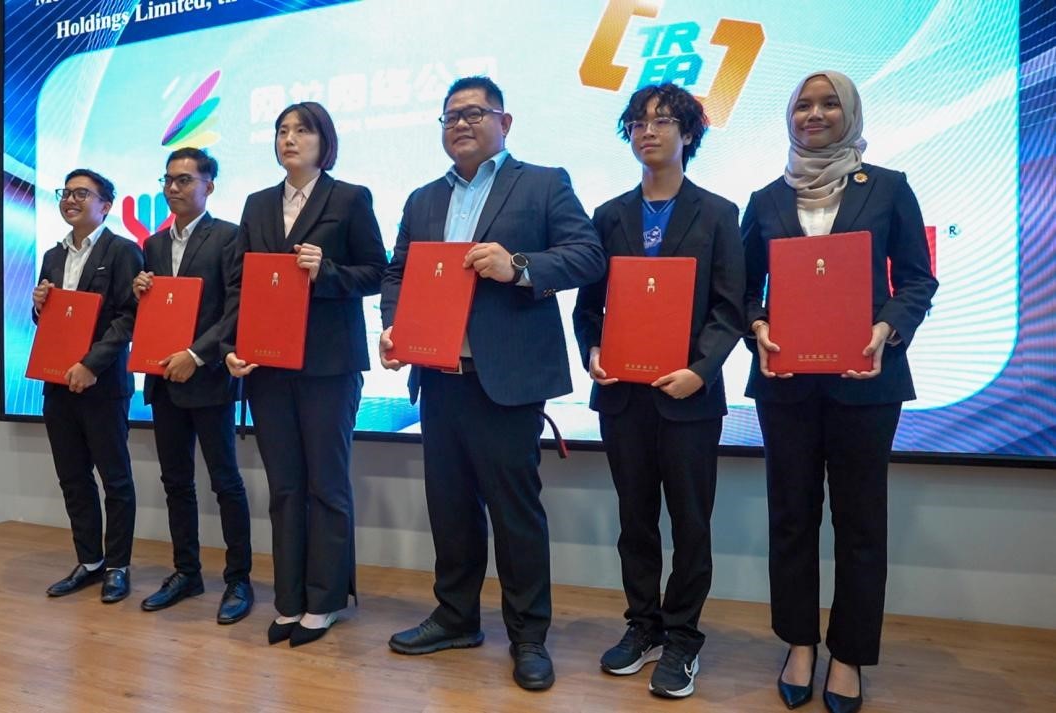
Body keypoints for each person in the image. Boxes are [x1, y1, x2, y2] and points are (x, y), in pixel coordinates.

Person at [379, 76, 605, 691]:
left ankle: (528, 636)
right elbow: (398, 272)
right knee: (450, 508)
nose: (460, 123)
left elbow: (588, 255)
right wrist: (394, 326)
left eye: (475, 113)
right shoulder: (424, 199)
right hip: (439, 377)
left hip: (505, 379)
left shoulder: (543, 183)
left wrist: (518, 266)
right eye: (450, 116)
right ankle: (455, 618)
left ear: (505, 122)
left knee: (514, 513)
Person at [742, 71, 937, 712]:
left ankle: (848, 653)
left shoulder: (888, 187)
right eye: (803, 104)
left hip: (867, 384)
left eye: (829, 104)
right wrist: (758, 326)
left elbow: (917, 280)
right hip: (786, 385)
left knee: (860, 524)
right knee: (791, 517)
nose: (815, 114)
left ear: (849, 113)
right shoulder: (766, 199)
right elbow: (742, 291)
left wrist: (887, 328)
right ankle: (800, 643)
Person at [573, 83, 745, 699]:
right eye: (638, 122)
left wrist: (701, 369)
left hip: (689, 397)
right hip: (624, 397)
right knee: (635, 520)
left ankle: (683, 638)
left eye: (663, 120)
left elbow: (730, 308)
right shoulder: (608, 215)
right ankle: (642, 625)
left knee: (691, 522)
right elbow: (589, 307)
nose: (648, 131)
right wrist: (593, 352)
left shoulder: (719, 213)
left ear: (688, 133)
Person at [224, 101, 386, 647]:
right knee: (284, 485)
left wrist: (328, 271)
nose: (289, 138)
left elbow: (377, 272)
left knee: (326, 483)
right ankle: (289, 599)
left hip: (328, 364)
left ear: (324, 141)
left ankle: (326, 600)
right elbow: (241, 285)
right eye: (281, 130)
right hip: (268, 364)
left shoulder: (350, 198)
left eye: (301, 130)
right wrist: (233, 347)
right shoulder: (257, 203)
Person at [131, 148, 254, 624]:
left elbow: (236, 308)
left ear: (209, 186)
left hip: (209, 380)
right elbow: (154, 313)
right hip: (164, 380)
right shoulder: (153, 244)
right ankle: (186, 572)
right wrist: (139, 293)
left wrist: (197, 355)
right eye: (168, 180)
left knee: (225, 482)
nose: (173, 188)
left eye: (184, 180)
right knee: (176, 482)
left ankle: (238, 579)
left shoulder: (228, 236)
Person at [33, 168, 143, 604]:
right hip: (58, 384)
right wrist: (38, 307)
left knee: (115, 479)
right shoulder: (52, 255)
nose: (70, 200)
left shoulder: (123, 251)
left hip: (103, 384)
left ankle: (117, 566)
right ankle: (90, 561)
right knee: (73, 478)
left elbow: (129, 317)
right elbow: (51, 321)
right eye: (66, 193)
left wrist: (91, 364)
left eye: (82, 193)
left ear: (106, 205)